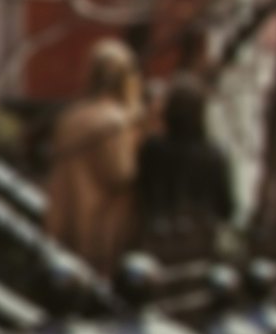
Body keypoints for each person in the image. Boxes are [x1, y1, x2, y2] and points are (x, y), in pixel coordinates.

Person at [40, 40, 147, 278]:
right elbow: (122, 173)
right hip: (101, 225)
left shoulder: (70, 117)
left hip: (66, 215)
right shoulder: (116, 122)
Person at [133, 77, 240, 262]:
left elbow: (142, 192)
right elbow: (227, 207)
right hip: (200, 245)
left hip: (158, 242)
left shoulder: (153, 149)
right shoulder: (214, 155)